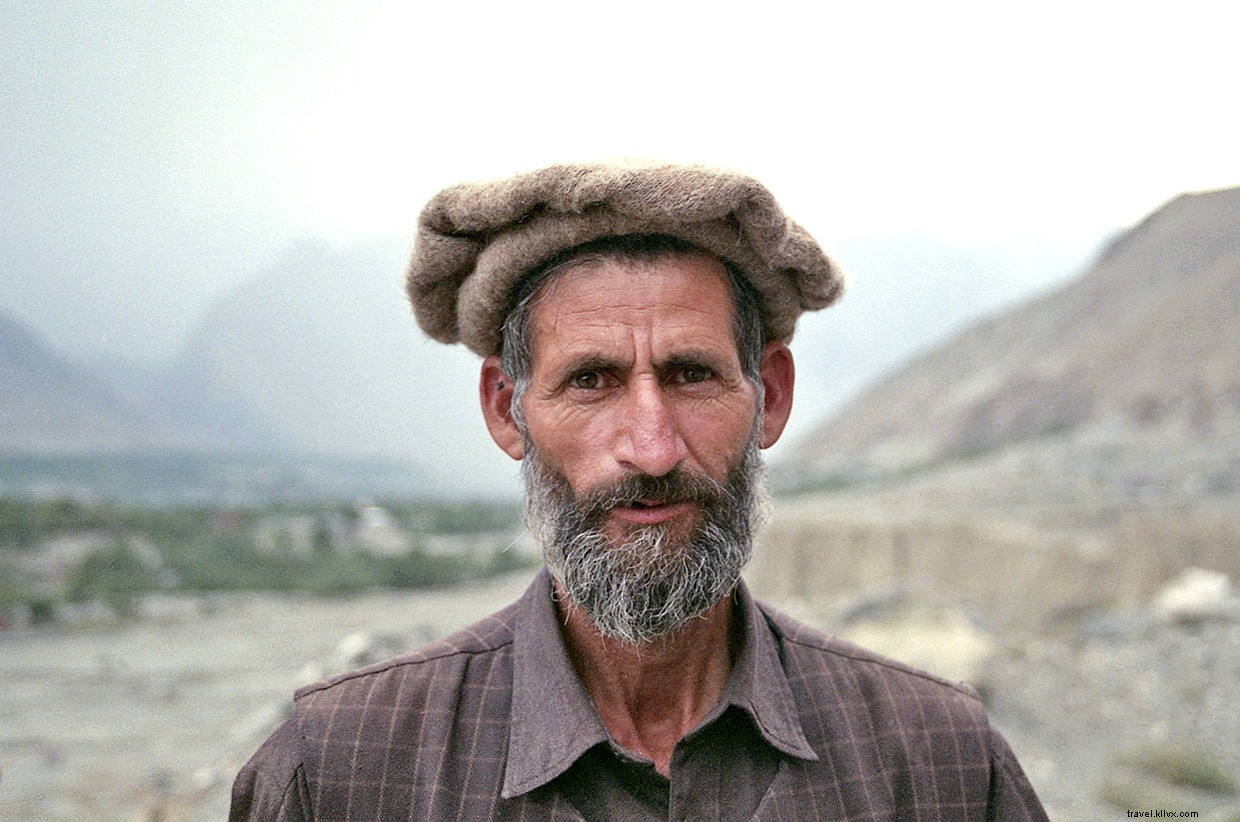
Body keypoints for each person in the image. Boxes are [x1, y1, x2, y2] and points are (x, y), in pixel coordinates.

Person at [230, 162, 1049, 821]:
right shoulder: (338, 775)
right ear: (506, 410)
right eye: (591, 381)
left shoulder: (938, 762)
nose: (652, 450)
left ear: (771, 395)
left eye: (693, 376)